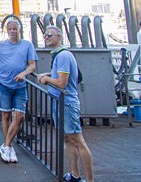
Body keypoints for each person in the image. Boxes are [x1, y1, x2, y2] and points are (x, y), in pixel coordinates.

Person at [38, 26, 94, 182]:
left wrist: (46, 79)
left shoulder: (62, 56)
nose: (46, 37)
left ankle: (90, 180)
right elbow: (62, 74)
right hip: (60, 102)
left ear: (59, 36)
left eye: (49, 35)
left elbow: (62, 83)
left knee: (78, 140)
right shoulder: (60, 55)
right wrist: (48, 74)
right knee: (68, 139)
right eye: (45, 35)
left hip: (67, 103)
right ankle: (75, 175)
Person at [0, 19, 38, 163]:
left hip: (20, 86)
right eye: (10, 29)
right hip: (4, 85)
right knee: (5, 115)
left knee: (19, 116)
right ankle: (9, 146)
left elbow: (32, 66)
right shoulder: (0, 46)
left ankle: (6, 145)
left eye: (15, 29)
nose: (13, 31)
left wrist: (24, 73)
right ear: (7, 30)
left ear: (19, 30)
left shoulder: (27, 45)